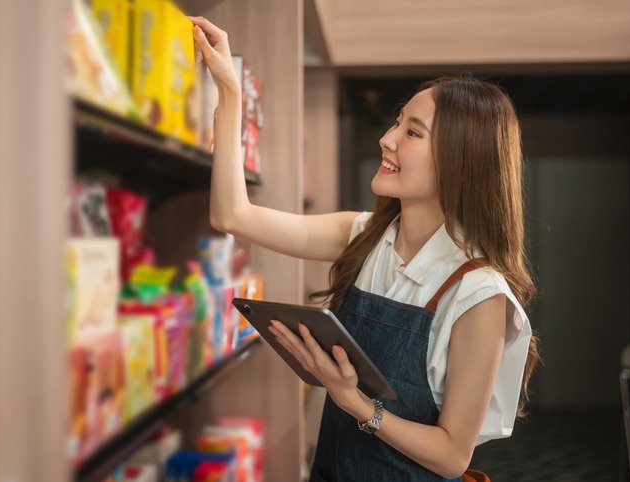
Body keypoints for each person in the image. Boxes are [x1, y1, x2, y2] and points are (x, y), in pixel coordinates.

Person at [190, 16, 540, 482]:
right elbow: (232, 215)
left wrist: (354, 402)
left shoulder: (480, 293)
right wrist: (229, 95)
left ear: (461, 162)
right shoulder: (365, 235)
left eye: (412, 132)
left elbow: (452, 456)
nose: (387, 139)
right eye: (397, 123)